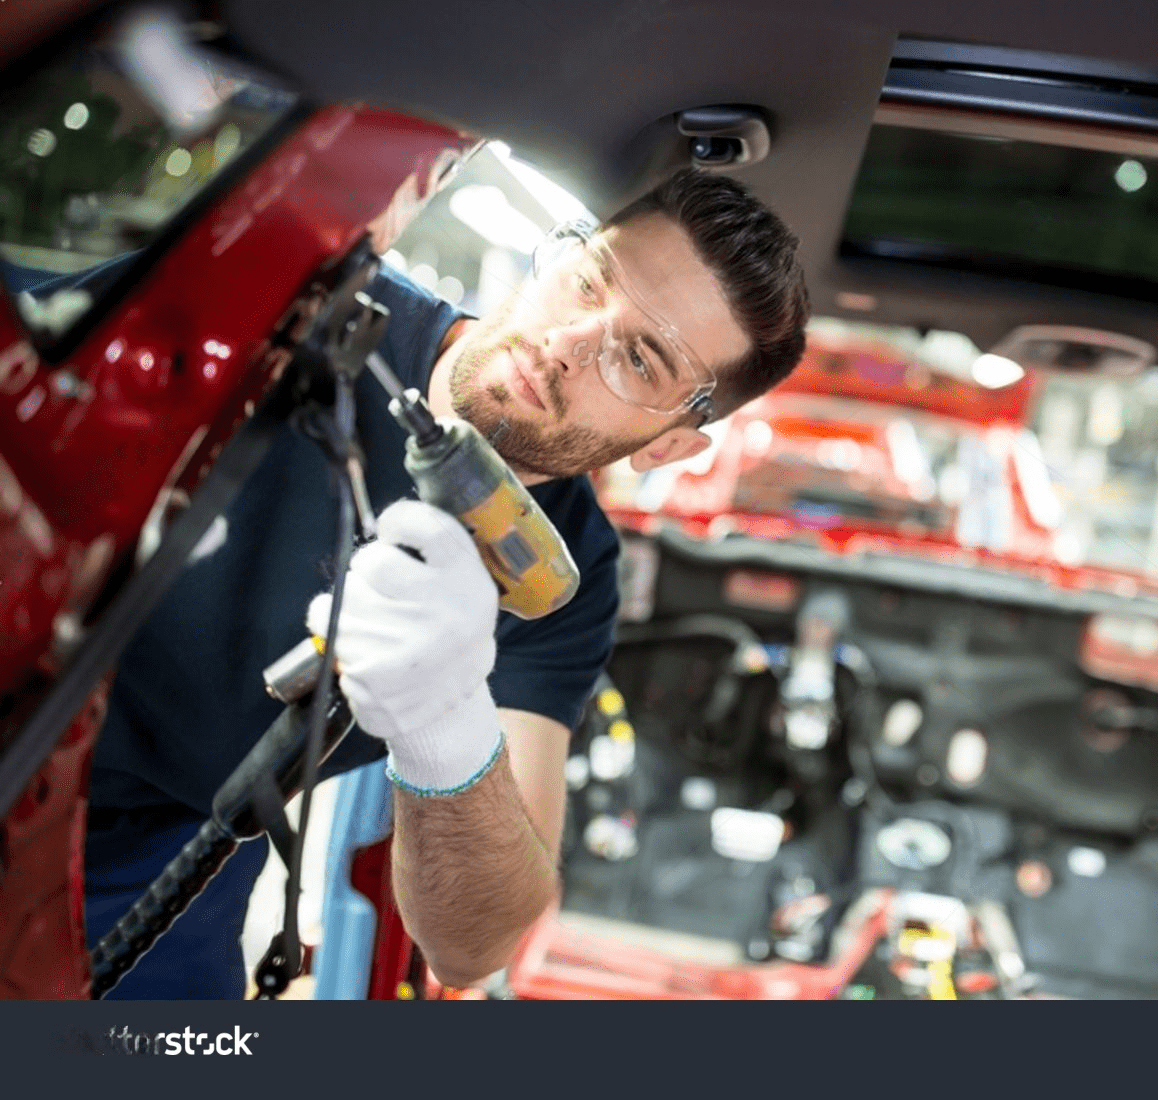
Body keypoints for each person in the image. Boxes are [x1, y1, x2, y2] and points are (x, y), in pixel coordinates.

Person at [83, 166, 810, 997]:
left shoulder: (561, 574)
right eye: (587, 281)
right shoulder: (307, 301)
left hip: (161, 870)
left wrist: (446, 727)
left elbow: (474, 949)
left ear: (670, 448)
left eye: (639, 360)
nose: (569, 343)